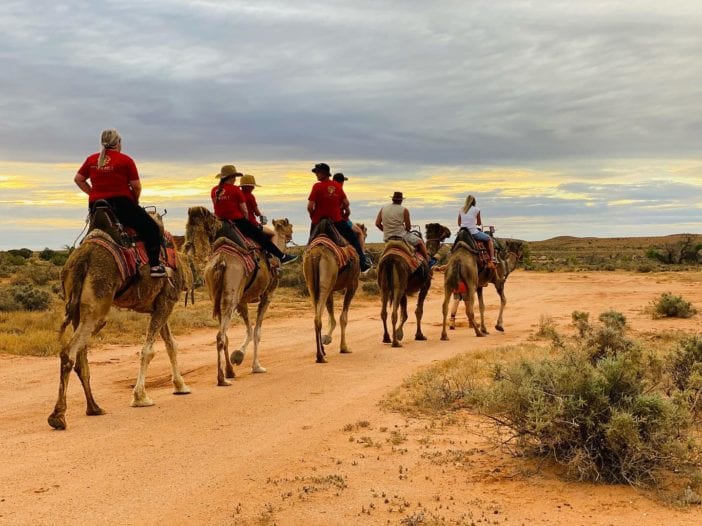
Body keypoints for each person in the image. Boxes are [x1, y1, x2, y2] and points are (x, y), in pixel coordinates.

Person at [74, 129, 166, 277]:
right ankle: (155, 266)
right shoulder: (125, 160)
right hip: (122, 205)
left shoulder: (91, 160)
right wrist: (134, 200)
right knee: (152, 228)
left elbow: (78, 179)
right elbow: (136, 186)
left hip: (97, 207)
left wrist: (93, 193)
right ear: (118, 142)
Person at [211, 165, 297, 265]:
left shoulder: (214, 190)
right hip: (238, 221)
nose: (235, 180)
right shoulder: (235, 190)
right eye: (234, 177)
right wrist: (247, 223)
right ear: (231, 177)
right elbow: (244, 210)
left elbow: (216, 206)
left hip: (220, 223)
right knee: (261, 238)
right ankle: (281, 256)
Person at [307, 163, 371, 272]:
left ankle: (306, 264)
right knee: (354, 239)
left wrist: (313, 215)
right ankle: (363, 262)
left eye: (317, 172)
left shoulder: (316, 186)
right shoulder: (337, 186)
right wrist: (343, 211)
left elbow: (310, 206)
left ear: (323, 173)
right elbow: (346, 203)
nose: (316, 174)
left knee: (310, 245)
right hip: (336, 220)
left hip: (318, 221)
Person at [375, 191, 435, 267]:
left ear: (392, 199)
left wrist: (387, 230)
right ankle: (428, 262)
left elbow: (377, 224)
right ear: (401, 200)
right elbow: (408, 228)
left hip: (388, 237)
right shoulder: (404, 210)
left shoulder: (383, 209)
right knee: (420, 242)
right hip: (402, 237)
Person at [332, 172, 368, 255]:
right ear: (342, 182)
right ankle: (363, 257)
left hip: (324, 220)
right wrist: (345, 216)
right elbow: (347, 210)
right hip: (340, 219)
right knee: (359, 233)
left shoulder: (327, 190)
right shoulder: (340, 191)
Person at [457, 195, 495, 262]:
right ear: (474, 202)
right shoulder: (476, 209)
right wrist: (476, 224)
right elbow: (479, 222)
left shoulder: (461, 209)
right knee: (489, 239)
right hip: (473, 232)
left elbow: (459, 223)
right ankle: (492, 258)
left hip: (462, 232)